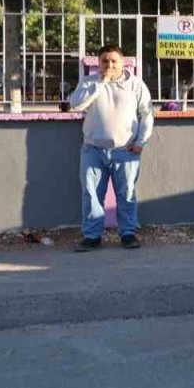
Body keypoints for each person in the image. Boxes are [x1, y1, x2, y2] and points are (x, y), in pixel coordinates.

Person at [68, 45, 153, 252]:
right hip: (93, 149)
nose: (110, 65)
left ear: (123, 62)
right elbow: (75, 105)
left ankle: (128, 234)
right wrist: (101, 82)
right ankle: (92, 236)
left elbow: (147, 113)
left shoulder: (135, 84)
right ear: (99, 63)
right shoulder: (89, 82)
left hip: (126, 150)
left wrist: (141, 141)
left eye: (114, 61)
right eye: (105, 61)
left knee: (127, 193)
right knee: (91, 193)